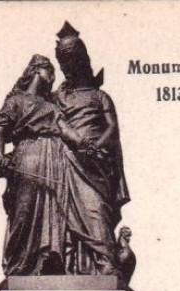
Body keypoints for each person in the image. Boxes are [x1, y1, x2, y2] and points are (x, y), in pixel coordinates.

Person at [53, 22, 129, 275]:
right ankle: (66, 266)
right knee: (62, 216)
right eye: (63, 61)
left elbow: (112, 129)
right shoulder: (55, 98)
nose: (68, 66)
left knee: (94, 209)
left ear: (83, 60)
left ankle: (106, 262)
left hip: (96, 163)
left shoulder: (100, 97)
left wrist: (95, 146)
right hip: (65, 161)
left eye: (72, 59)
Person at [0, 56, 70, 276]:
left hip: (54, 161)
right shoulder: (16, 100)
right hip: (27, 155)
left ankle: (46, 259)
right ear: (36, 71)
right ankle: (19, 265)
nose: (53, 78)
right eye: (50, 71)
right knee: (23, 212)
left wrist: (85, 143)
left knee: (52, 210)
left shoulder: (51, 106)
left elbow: (64, 130)